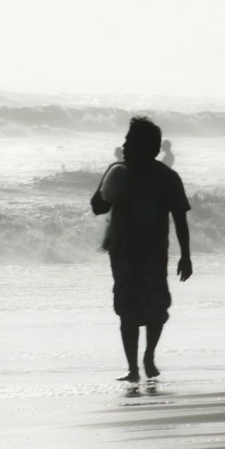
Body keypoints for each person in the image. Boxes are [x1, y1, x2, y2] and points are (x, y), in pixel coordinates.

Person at [90, 117, 193, 383]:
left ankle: (149, 356)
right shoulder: (118, 172)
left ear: (149, 148)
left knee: (156, 308)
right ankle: (132, 368)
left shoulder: (167, 177)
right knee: (127, 309)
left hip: (153, 253)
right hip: (122, 252)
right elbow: (98, 207)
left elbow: (180, 217)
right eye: (125, 140)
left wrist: (186, 256)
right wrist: (106, 193)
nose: (124, 146)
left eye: (130, 142)